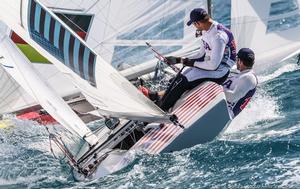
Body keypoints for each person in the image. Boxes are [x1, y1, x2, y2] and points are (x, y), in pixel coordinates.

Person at [140, 8, 237, 112]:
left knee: (184, 79)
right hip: (211, 67)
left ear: (198, 23)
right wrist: (178, 60)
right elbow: (201, 54)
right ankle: (157, 97)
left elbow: (214, 65)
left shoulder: (218, 36)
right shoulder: (207, 31)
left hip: (220, 72)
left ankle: (161, 109)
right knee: (179, 75)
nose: (194, 27)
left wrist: (187, 62)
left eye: (194, 24)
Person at [223, 48, 258, 118]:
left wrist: (216, 87)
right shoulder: (242, 73)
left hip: (225, 114)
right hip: (220, 106)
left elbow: (232, 97)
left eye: (237, 59)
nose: (236, 61)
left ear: (240, 61)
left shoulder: (249, 78)